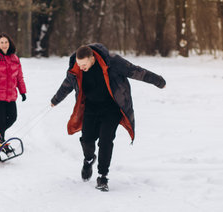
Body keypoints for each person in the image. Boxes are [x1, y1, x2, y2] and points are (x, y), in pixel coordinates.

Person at [50, 43, 166, 191]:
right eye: (79, 65)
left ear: (92, 58)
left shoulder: (113, 62)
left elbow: (135, 71)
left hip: (112, 108)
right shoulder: (76, 67)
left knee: (106, 140)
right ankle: (89, 159)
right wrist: (55, 100)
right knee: (87, 139)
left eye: (84, 65)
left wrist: (158, 81)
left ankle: (102, 176)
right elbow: (67, 84)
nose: (81, 68)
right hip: (90, 107)